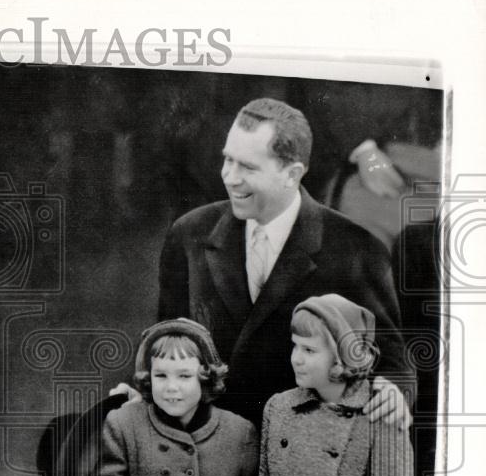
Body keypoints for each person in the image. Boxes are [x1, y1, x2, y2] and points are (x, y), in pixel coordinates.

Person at [155, 98, 412, 430]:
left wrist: (393, 391)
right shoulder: (189, 235)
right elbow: (166, 344)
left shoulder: (355, 249)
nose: (230, 178)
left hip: (303, 456)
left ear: (292, 174)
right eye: (227, 160)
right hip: (206, 453)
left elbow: (392, 362)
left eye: (247, 167)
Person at [246, 295, 413, 476]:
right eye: (295, 347)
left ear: (342, 357)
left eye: (309, 351)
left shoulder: (381, 413)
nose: (296, 359)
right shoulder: (279, 407)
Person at [86, 319, 258, 476]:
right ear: (148, 377)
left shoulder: (240, 432)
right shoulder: (123, 423)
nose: (171, 387)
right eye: (161, 375)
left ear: (205, 377)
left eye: (184, 376)